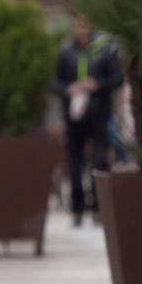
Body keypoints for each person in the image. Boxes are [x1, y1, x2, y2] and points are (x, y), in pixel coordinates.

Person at [52, 12, 123, 226]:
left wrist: (97, 85)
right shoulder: (65, 51)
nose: (82, 30)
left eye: (85, 26)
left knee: (99, 159)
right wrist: (69, 89)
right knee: (74, 160)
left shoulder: (105, 49)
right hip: (74, 116)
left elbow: (117, 78)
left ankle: (97, 207)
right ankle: (77, 205)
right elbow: (55, 83)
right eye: (78, 26)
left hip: (99, 112)